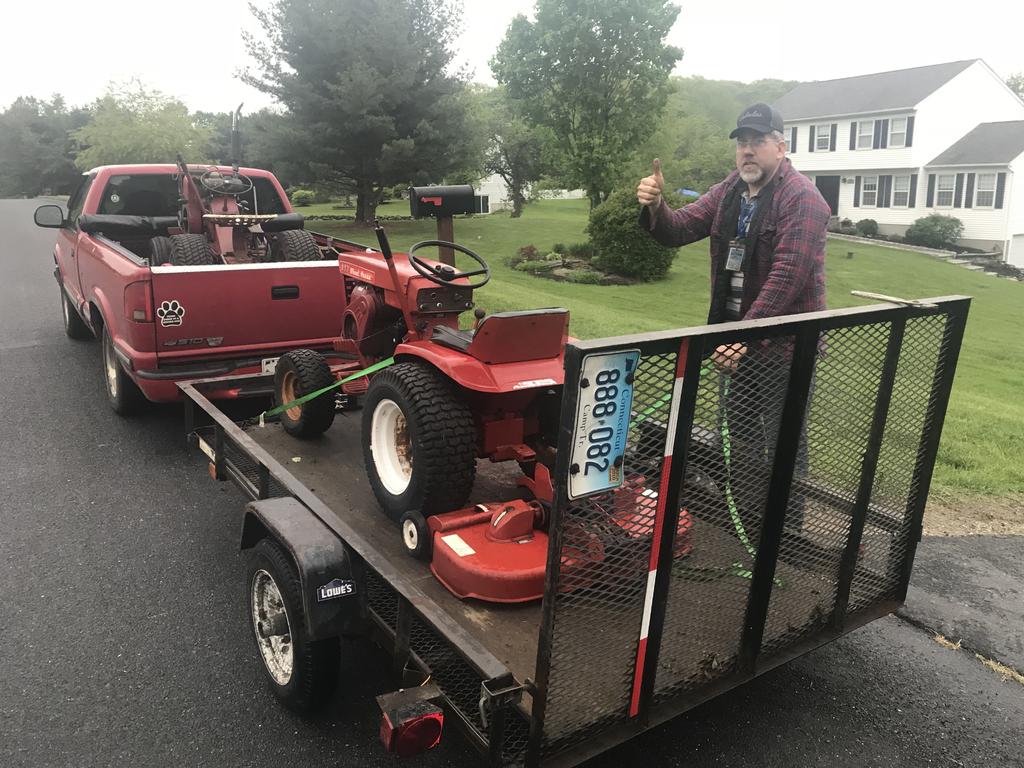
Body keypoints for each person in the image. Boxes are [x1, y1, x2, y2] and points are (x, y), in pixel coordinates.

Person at [636, 103, 830, 539]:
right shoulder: (729, 191)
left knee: (783, 443)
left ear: (780, 147)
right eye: (742, 142)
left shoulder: (802, 198)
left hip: (785, 348)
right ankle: (744, 523)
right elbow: (678, 229)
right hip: (735, 345)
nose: (747, 150)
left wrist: (741, 336)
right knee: (739, 437)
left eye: (758, 141)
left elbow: (787, 277)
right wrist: (657, 204)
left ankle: (784, 537)